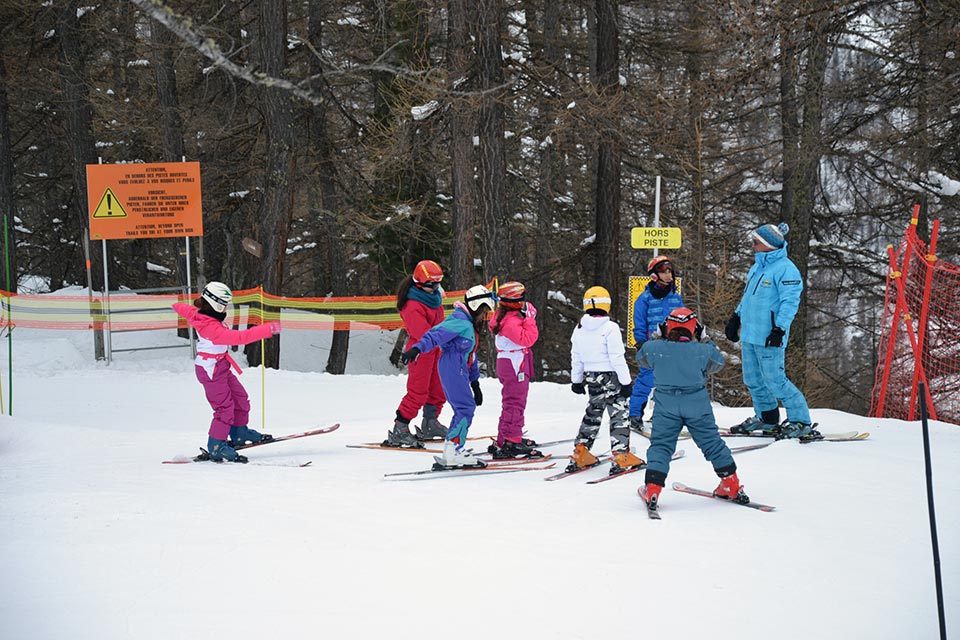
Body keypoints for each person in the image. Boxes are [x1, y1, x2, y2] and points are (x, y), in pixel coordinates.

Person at [639, 307, 748, 510]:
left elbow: (643, 359)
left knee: (661, 446)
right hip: (697, 405)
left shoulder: (655, 348)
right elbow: (718, 362)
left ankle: (653, 488)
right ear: (694, 329)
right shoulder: (703, 351)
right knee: (712, 443)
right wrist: (706, 339)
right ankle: (731, 485)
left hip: (666, 406)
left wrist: (657, 336)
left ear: (667, 327)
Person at [724, 222, 816, 439]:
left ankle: (801, 421)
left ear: (768, 245)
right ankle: (767, 419)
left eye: (756, 242)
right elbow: (748, 298)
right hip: (750, 336)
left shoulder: (786, 269)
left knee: (776, 381)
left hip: (769, 337)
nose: (753, 245)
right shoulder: (757, 267)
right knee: (753, 381)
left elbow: (789, 303)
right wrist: (736, 317)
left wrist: (779, 329)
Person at [173, 282, 281, 463]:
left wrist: (176, 305)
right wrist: (267, 329)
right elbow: (241, 338)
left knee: (240, 398)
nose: (225, 309)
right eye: (223, 304)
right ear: (214, 303)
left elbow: (184, 309)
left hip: (221, 365)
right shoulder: (212, 328)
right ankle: (216, 446)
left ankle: (239, 431)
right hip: (211, 371)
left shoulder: (204, 316)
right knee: (224, 409)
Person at [401, 284, 496, 468]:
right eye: (484, 311)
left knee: (464, 407)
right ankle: (454, 450)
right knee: (465, 408)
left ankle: (452, 449)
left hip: (457, 367)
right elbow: (435, 334)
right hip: (452, 367)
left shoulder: (468, 323)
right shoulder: (460, 321)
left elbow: (471, 355)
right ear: (476, 306)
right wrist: (418, 348)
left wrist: (475, 382)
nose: (484, 317)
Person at [567, 286, 645, 476]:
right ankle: (621, 456)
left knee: (593, 412)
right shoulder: (610, 328)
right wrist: (626, 382)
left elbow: (575, 355)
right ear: (606, 304)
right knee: (619, 414)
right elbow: (617, 357)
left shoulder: (579, 328)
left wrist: (576, 380)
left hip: (591, 375)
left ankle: (581, 451)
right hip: (611, 376)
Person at [384, 259, 449, 448]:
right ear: (420, 283)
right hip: (419, 351)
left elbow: (440, 325)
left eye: (438, 283)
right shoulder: (412, 305)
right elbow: (423, 334)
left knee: (438, 388)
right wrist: (441, 336)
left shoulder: (434, 298)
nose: (436, 287)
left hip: (436, 349)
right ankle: (400, 427)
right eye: (432, 284)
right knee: (418, 392)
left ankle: (430, 422)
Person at [486, 281, 542, 459]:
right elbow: (528, 338)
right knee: (515, 402)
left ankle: (506, 437)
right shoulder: (509, 321)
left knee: (511, 401)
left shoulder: (506, 315)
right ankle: (512, 441)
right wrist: (530, 318)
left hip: (512, 360)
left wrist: (526, 315)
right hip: (514, 362)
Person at [629, 255, 684, 434]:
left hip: (674, 348)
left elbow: (684, 320)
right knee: (646, 380)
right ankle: (634, 415)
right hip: (652, 348)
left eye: (670, 272)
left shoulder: (675, 297)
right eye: (663, 272)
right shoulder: (644, 299)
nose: (668, 275)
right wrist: (642, 344)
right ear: (654, 275)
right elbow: (639, 323)